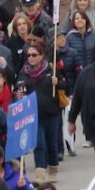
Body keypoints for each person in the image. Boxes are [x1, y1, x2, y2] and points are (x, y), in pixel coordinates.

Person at [16, 42, 64, 182]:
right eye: (28, 55)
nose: (30, 58)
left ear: (41, 56)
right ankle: (40, 175)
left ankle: (53, 169)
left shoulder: (50, 69)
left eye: (34, 55)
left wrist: (57, 82)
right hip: (33, 115)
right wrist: (20, 92)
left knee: (52, 143)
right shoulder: (23, 72)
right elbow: (19, 87)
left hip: (52, 113)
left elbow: (65, 85)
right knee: (38, 144)